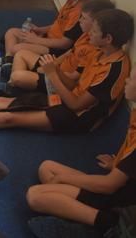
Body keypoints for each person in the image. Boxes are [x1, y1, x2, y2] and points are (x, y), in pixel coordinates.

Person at [0, 9, 133, 134]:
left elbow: (77, 105)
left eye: (94, 31)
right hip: (66, 100)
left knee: (5, 118)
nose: (89, 34)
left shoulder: (115, 69)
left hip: (77, 118)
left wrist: (52, 74)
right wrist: (54, 70)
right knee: (1, 102)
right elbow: (75, 85)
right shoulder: (99, 52)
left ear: (108, 39)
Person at [25, 65, 136, 235]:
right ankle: (79, 212)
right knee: (46, 167)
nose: (127, 81)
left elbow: (108, 186)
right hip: (119, 186)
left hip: (119, 199)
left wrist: (64, 178)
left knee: (35, 196)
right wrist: (118, 163)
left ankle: (106, 223)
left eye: (132, 79)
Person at [2, 0, 98, 69]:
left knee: (17, 48)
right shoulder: (71, 1)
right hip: (47, 38)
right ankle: (9, 62)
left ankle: (17, 61)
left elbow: (65, 44)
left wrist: (36, 40)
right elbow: (59, 24)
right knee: (11, 32)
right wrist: (40, 29)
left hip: (55, 49)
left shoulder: (80, 13)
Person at [8, 0, 115, 91]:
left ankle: (19, 86)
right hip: (55, 68)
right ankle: (12, 86)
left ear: (96, 22)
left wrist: (51, 71)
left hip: (60, 80)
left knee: (18, 76)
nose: (80, 21)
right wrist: (52, 65)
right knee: (20, 54)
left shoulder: (93, 49)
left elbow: (73, 80)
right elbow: (68, 53)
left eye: (84, 18)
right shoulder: (85, 35)